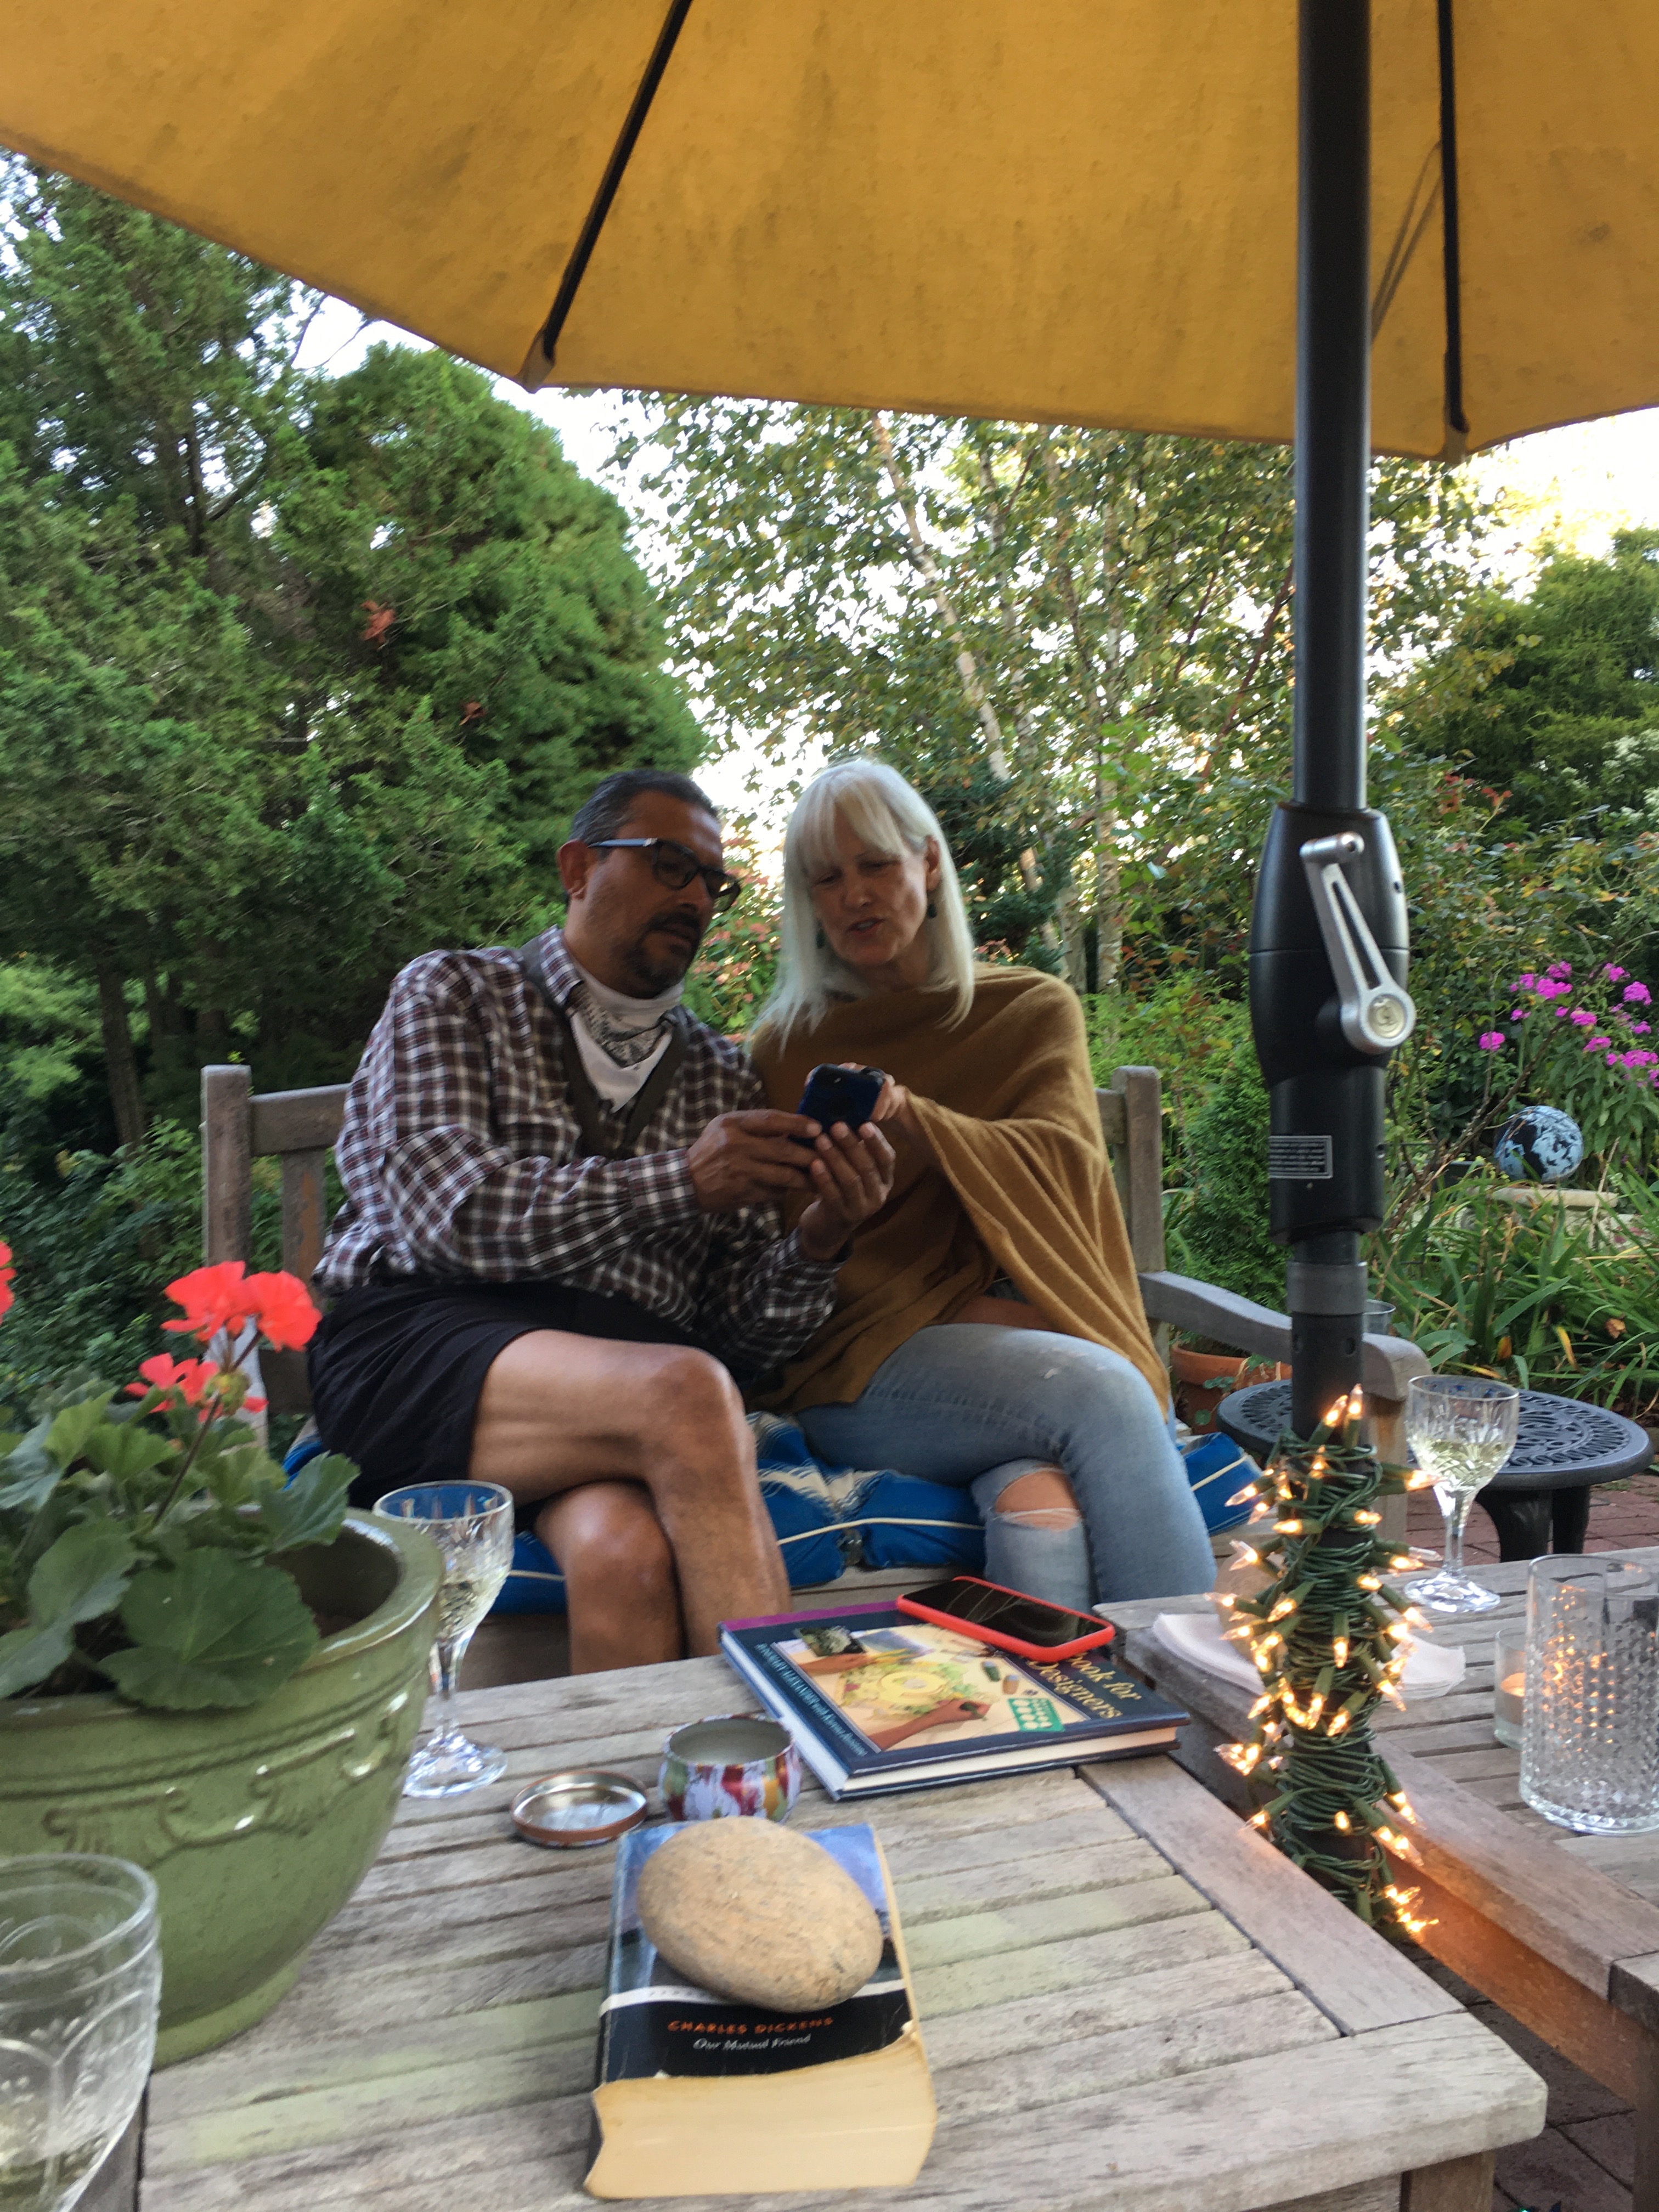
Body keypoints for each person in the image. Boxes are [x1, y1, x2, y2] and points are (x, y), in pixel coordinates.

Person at [309, 768, 896, 1671]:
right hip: (422, 1349)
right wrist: (680, 1182)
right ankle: (794, 1733)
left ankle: (649, 1771)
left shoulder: (720, 1075)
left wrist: (818, 1241)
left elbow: (739, 1338)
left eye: (713, 883)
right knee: (690, 1395)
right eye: (670, 865)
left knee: (626, 1557)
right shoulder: (457, 993)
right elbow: (442, 1216)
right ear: (579, 868)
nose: (696, 897)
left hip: (615, 1394)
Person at [748, 758, 1215, 1609]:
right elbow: (766, 1266)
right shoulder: (785, 1047)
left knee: (1041, 1500)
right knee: (1104, 1393)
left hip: (1006, 1358)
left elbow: (1065, 1171)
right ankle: (1183, 1669)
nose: (854, 895)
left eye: (875, 864)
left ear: (928, 862)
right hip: (851, 1369)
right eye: (826, 877)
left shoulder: (1030, 1010)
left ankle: (1062, 1696)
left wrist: (917, 1123)